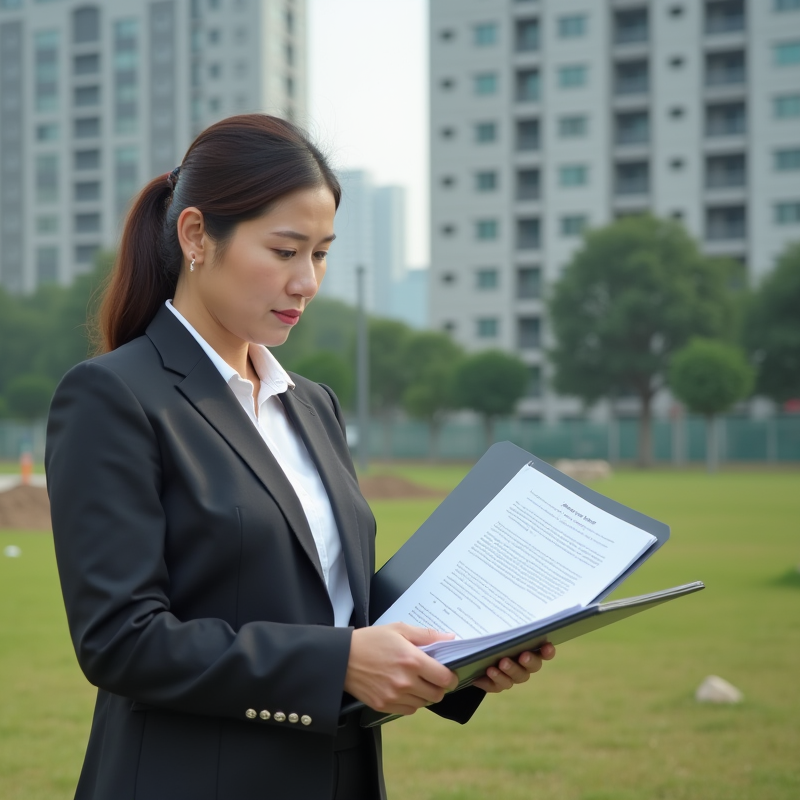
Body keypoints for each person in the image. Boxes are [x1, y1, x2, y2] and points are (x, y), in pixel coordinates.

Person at [45, 114, 554, 800]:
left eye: (321, 254)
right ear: (196, 236)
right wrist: (339, 662)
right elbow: (122, 640)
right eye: (285, 251)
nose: (308, 281)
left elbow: (335, 603)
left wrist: (459, 657)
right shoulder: (114, 397)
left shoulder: (311, 404)